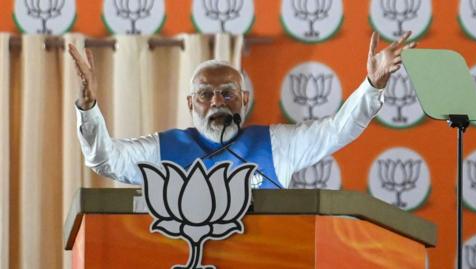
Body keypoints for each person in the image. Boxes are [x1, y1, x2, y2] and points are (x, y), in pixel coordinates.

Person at [69, 32, 415, 189]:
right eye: (205, 94)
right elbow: (106, 160)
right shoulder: (163, 149)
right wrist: (88, 106)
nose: (217, 101)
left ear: (244, 99)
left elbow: (339, 128)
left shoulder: (278, 144)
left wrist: (372, 84)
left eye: (228, 93)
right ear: (191, 103)